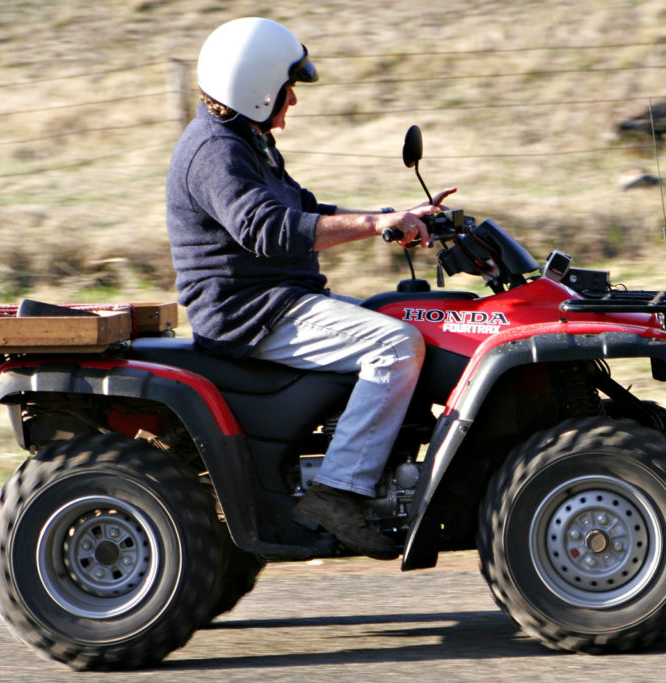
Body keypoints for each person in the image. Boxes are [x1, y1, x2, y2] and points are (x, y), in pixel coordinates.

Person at [165, 17, 455, 560]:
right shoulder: (215, 152)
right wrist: (373, 226)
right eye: (286, 87)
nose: (293, 100)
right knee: (394, 344)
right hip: (252, 313)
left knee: (408, 318)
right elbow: (268, 229)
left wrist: (391, 215)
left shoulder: (247, 141)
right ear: (255, 88)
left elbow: (305, 210)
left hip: (278, 301)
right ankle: (339, 491)